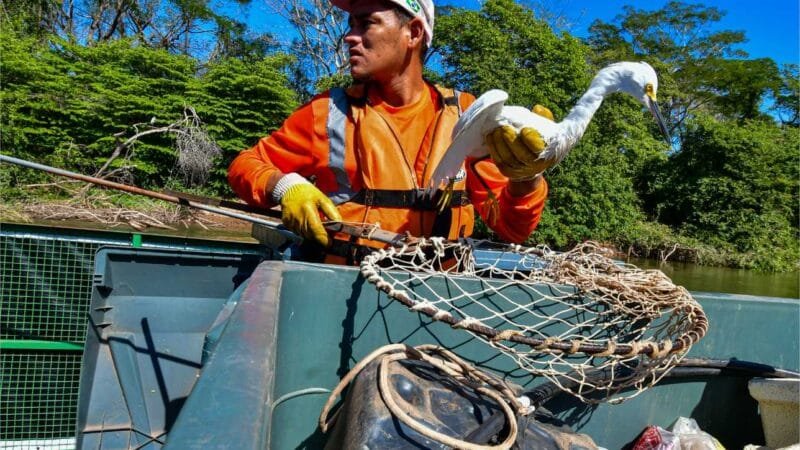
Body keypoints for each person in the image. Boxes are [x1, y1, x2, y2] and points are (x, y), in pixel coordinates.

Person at [228, 0, 554, 264]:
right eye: (350, 24)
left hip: (441, 295)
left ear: (412, 32)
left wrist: (526, 178)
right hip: (343, 291)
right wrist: (285, 186)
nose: (349, 37)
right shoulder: (326, 113)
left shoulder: (468, 115)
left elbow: (512, 229)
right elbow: (245, 166)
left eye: (366, 23)